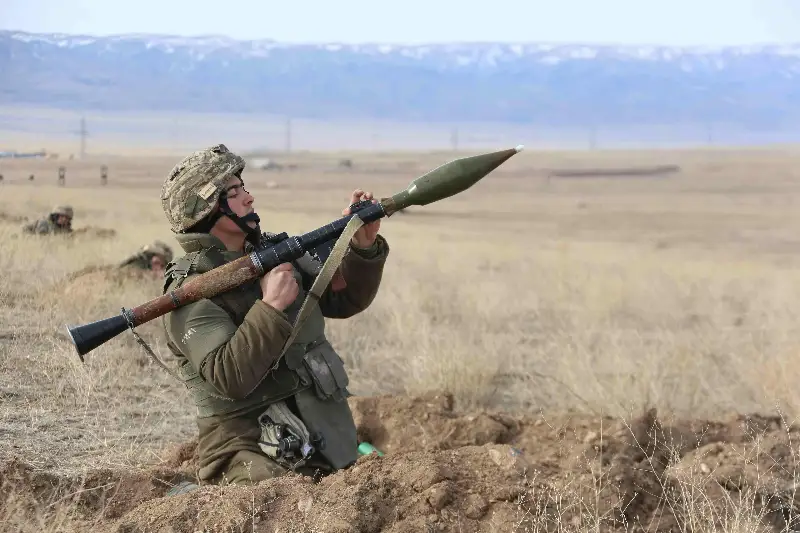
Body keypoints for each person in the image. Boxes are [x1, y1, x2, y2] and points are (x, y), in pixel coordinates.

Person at [159, 144, 389, 486]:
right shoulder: (189, 294)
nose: (249, 198)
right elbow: (230, 377)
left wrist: (362, 248)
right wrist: (270, 308)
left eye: (244, 187)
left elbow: (344, 302)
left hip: (324, 436)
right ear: (206, 211)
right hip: (249, 453)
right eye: (233, 193)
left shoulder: (274, 253)